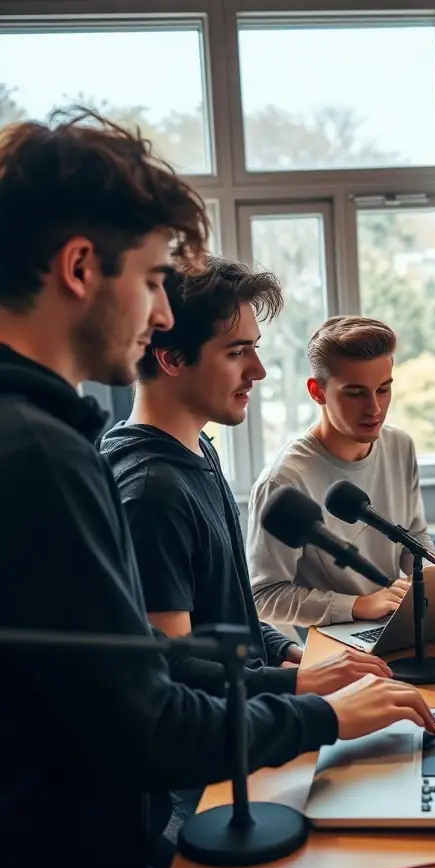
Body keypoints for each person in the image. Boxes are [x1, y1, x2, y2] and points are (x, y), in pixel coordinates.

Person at [0, 112, 435, 868]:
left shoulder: (47, 437)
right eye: (155, 281)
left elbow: (141, 660)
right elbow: (146, 723)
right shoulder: (38, 454)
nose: (163, 312)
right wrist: (322, 712)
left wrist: (293, 672)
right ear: (82, 269)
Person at [101, 256, 392, 698]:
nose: (258, 370)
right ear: (172, 358)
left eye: (255, 348)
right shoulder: (151, 493)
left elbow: (220, 614)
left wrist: (281, 650)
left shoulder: (196, 450)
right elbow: (174, 674)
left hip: (254, 703)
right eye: (238, 352)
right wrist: (299, 684)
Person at [247, 315, 435, 628]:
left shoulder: (401, 445)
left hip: (397, 623)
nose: (374, 408)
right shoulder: (283, 481)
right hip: (337, 643)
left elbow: (413, 537)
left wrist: (434, 579)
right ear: (317, 392)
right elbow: (263, 597)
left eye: (384, 390)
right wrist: (357, 605)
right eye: (356, 393)